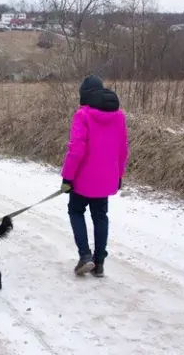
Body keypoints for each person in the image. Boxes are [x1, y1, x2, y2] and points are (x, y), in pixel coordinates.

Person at [60, 75, 128, 278]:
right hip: (106, 178)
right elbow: (123, 149)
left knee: (75, 211)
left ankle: (85, 256)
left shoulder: (82, 115)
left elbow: (76, 150)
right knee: (100, 216)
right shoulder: (119, 116)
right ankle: (99, 263)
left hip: (82, 178)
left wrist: (67, 177)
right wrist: (119, 176)